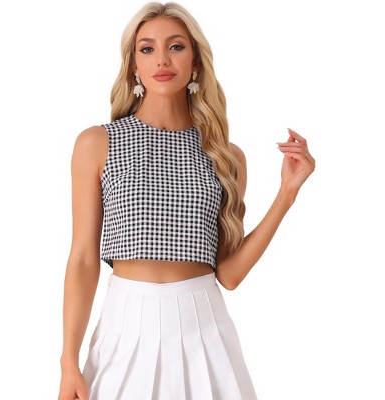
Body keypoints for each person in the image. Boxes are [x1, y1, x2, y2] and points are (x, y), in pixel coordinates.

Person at [58, 2, 315, 399]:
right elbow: (82, 259)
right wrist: (68, 360)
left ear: (195, 61)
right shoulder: (98, 143)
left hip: (205, 328)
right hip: (125, 325)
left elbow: (229, 274)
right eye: (147, 49)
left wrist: (287, 194)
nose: (161, 59)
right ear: (133, 66)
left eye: (175, 46)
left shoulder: (225, 157)